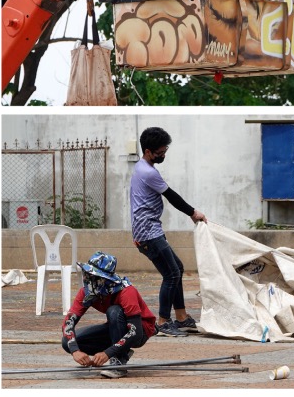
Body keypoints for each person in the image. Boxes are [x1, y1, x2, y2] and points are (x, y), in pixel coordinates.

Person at [131, 127, 207, 337]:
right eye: (160, 152)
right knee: (171, 273)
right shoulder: (148, 172)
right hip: (148, 232)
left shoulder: (141, 166)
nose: (163, 155)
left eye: (165, 151)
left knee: (177, 269)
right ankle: (164, 322)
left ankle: (181, 317)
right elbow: (171, 196)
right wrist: (193, 212)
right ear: (148, 151)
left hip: (149, 229)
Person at [62, 252, 156, 379]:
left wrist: (108, 353)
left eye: (92, 276)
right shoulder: (86, 292)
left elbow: (136, 332)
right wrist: (75, 350)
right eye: (86, 274)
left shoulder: (127, 292)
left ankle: (118, 362)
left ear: (104, 279)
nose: (86, 279)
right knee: (67, 342)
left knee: (114, 311)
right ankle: (123, 350)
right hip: (116, 328)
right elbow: (69, 322)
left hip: (140, 330)